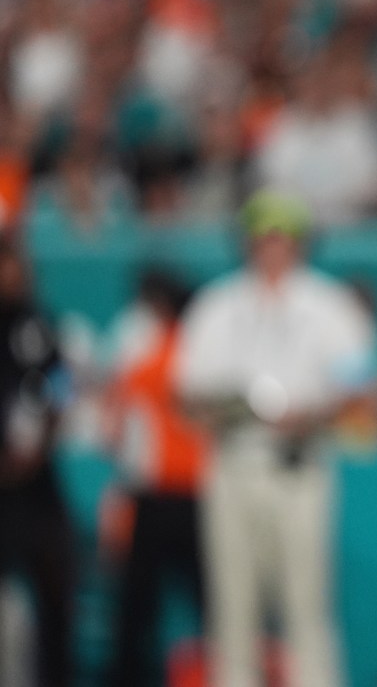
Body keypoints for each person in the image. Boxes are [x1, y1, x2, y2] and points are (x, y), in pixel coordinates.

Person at [175, 189, 377, 687]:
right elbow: (186, 393)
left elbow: (362, 391)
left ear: (299, 242)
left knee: (306, 602)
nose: (271, 247)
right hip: (234, 459)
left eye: (281, 237)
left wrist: (313, 414)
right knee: (232, 602)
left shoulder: (329, 305)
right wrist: (229, 409)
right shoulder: (217, 304)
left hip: (301, 461)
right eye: (262, 237)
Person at [101, 269, 208, 687]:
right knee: (212, 606)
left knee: (136, 610)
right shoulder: (199, 355)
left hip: (157, 495)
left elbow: (113, 432)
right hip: (195, 497)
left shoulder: (145, 358)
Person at [0, 233, 76, 687]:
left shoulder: (36, 324)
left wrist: (41, 442)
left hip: (34, 484)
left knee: (54, 590)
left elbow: (62, 387)